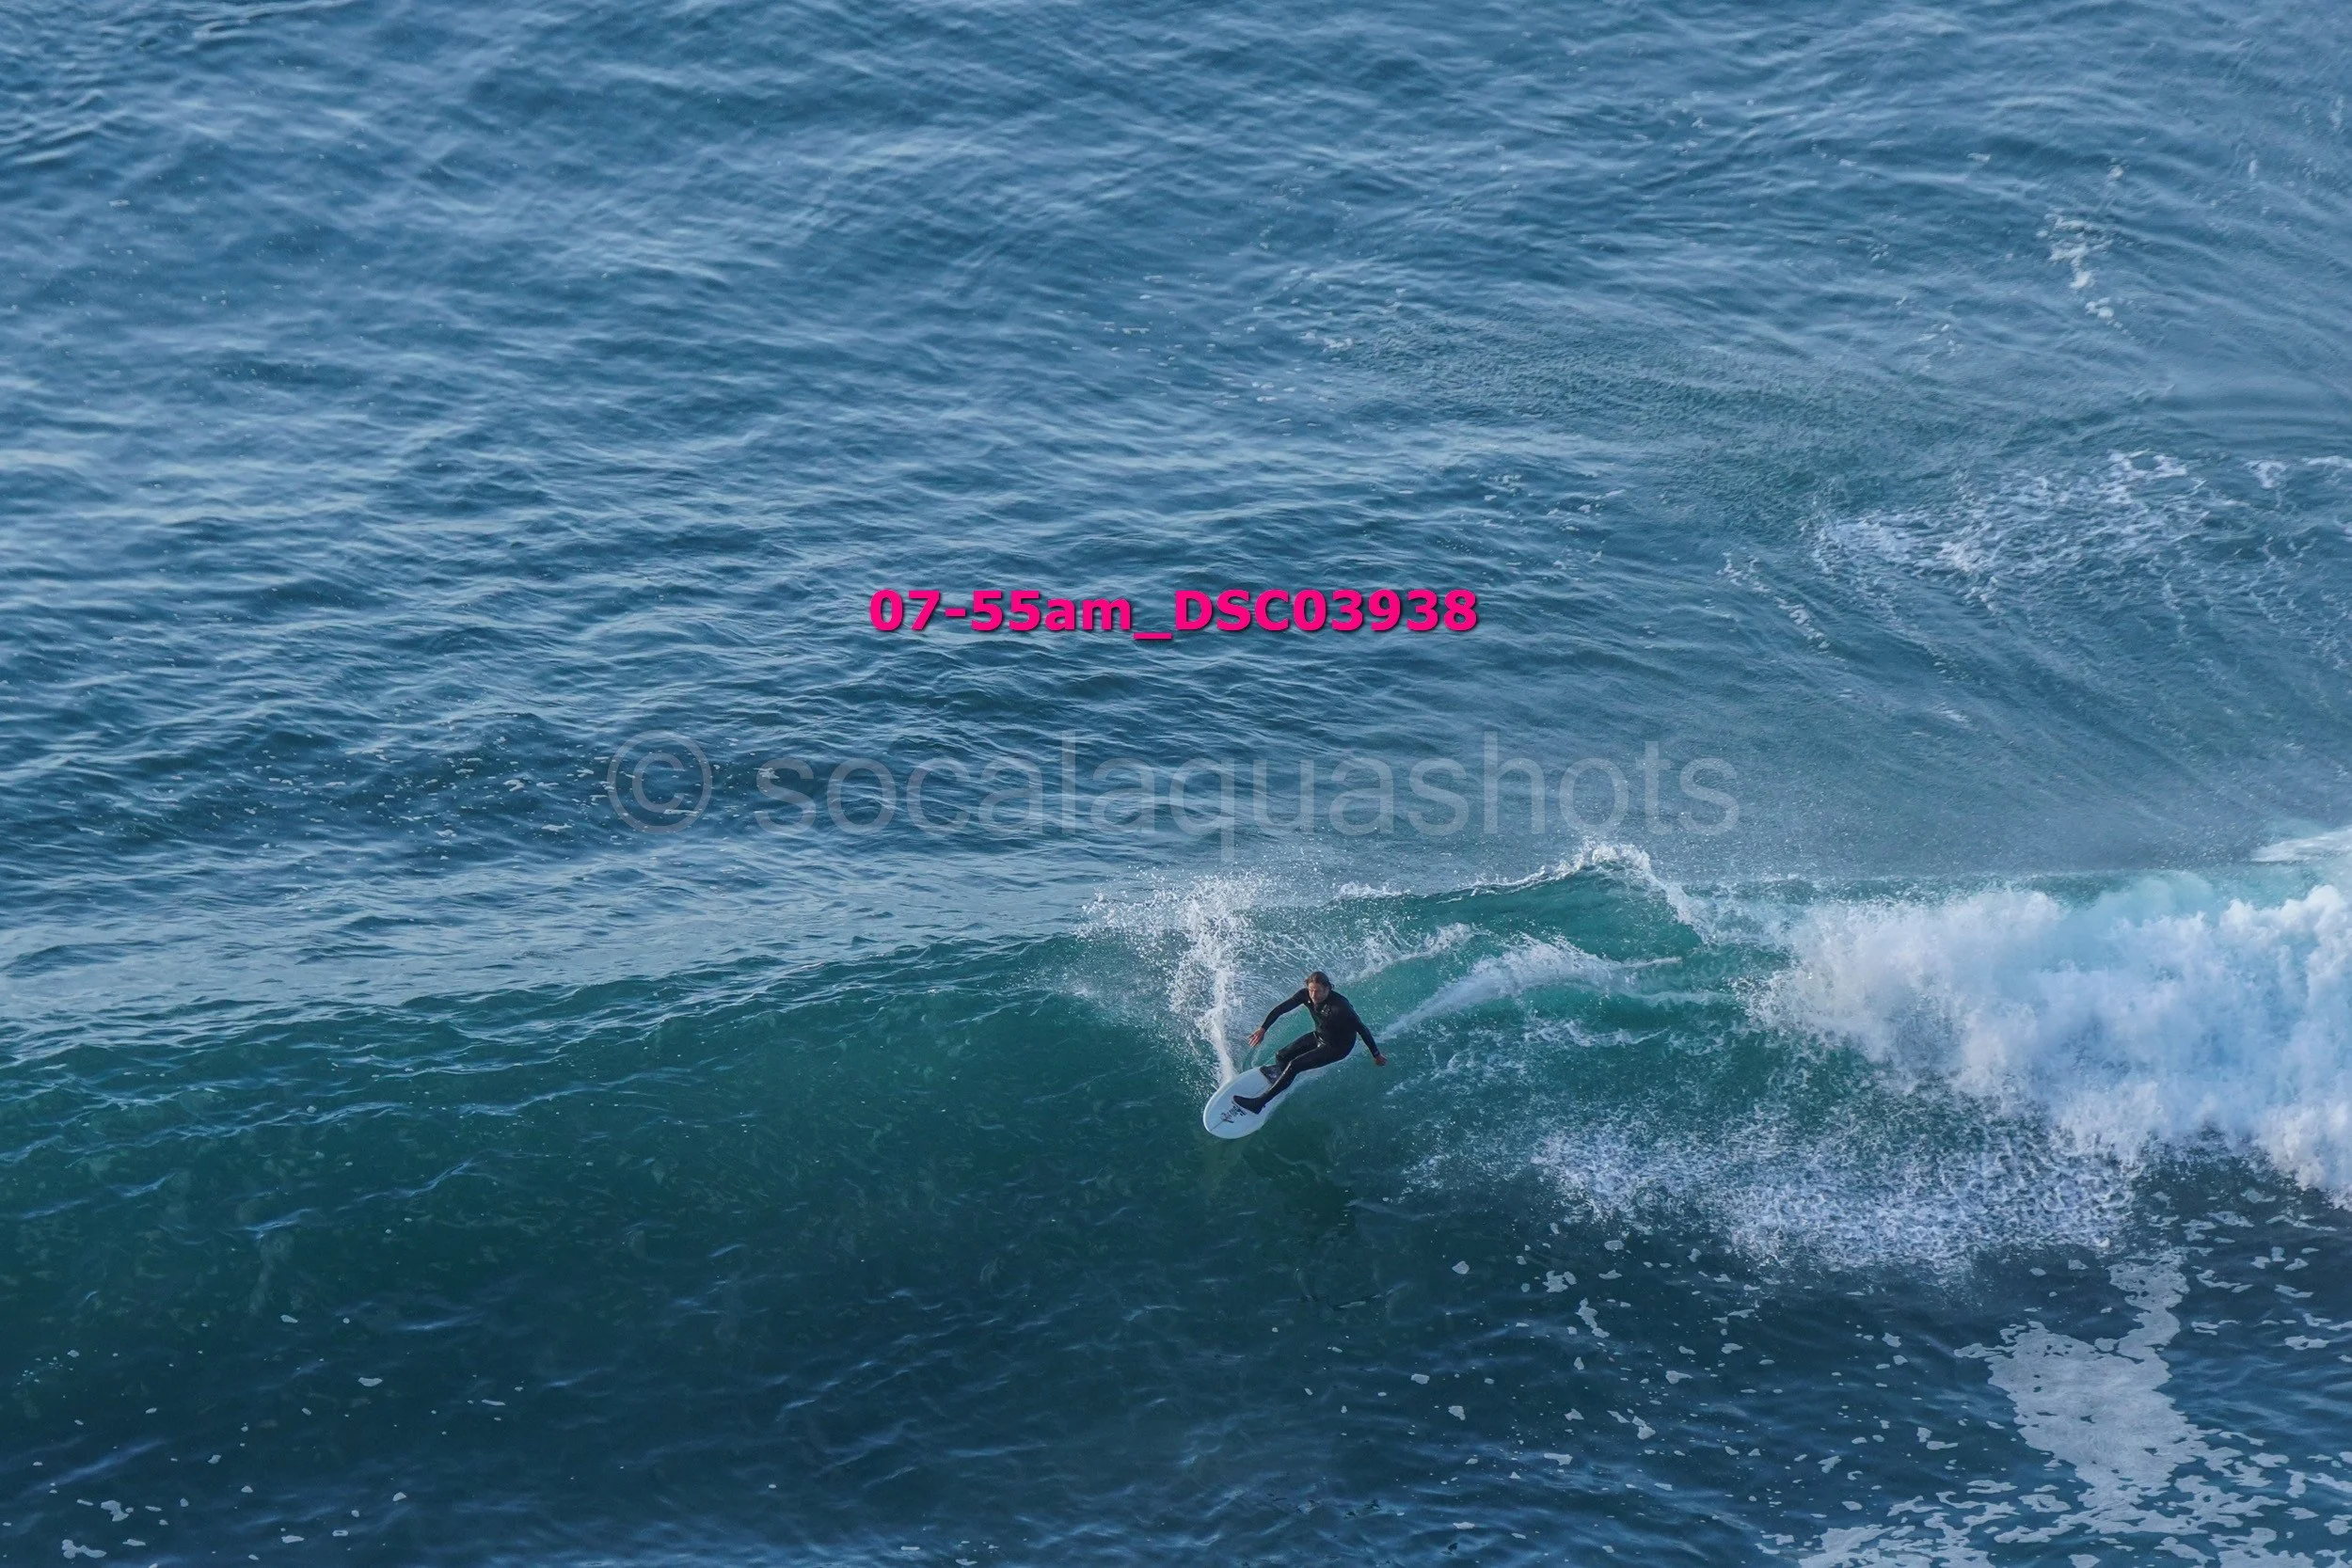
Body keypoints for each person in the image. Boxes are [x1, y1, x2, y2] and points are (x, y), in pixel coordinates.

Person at [1232, 970, 1385, 1115]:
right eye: (1311, 990)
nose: (1313, 995)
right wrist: (1263, 1029)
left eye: (1318, 991)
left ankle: (1258, 1104)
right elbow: (1281, 1009)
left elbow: (1362, 1030)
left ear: (1328, 989)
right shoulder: (1305, 995)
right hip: (1320, 1036)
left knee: (1294, 1065)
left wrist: (1376, 1055)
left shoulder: (1341, 1008)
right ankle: (1282, 1080)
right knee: (1281, 1056)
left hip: (1337, 1048)